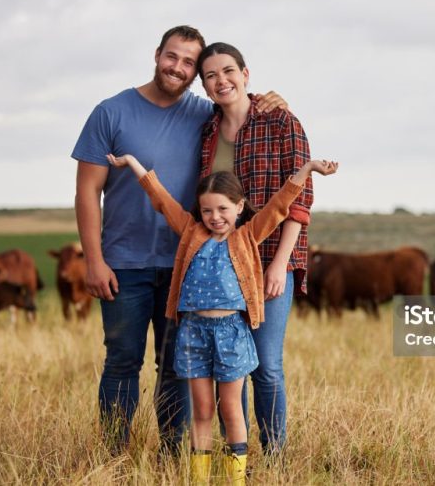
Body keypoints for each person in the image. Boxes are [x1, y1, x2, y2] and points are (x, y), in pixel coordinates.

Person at [71, 25, 286, 455]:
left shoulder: (202, 114)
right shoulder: (110, 112)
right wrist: (93, 260)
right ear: (156, 55)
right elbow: (86, 192)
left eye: (190, 63)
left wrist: (270, 100)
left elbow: (239, 103)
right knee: (121, 362)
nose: (179, 67)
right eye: (173, 57)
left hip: (186, 266)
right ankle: (115, 454)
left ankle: (171, 454)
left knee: (176, 368)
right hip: (123, 263)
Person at [106, 152, 338, 484]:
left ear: (240, 207)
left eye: (223, 209)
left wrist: (308, 169)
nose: (215, 217)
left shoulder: (246, 237)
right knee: (201, 411)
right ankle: (199, 478)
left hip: (231, 333)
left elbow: (279, 207)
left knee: (230, 409)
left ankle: (236, 478)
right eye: (207, 210)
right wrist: (131, 163)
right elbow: (161, 200)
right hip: (193, 333)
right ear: (199, 212)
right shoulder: (190, 232)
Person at [196, 42, 314, 454]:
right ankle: (238, 453)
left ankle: (276, 454)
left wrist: (279, 265)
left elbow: (299, 202)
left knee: (266, 365)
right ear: (205, 86)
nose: (221, 80)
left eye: (228, 70)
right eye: (210, 75)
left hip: (270, 261)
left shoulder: (281, 121)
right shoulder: (208, 131)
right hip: (224, 266)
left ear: (246, 73)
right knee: (232, 367)